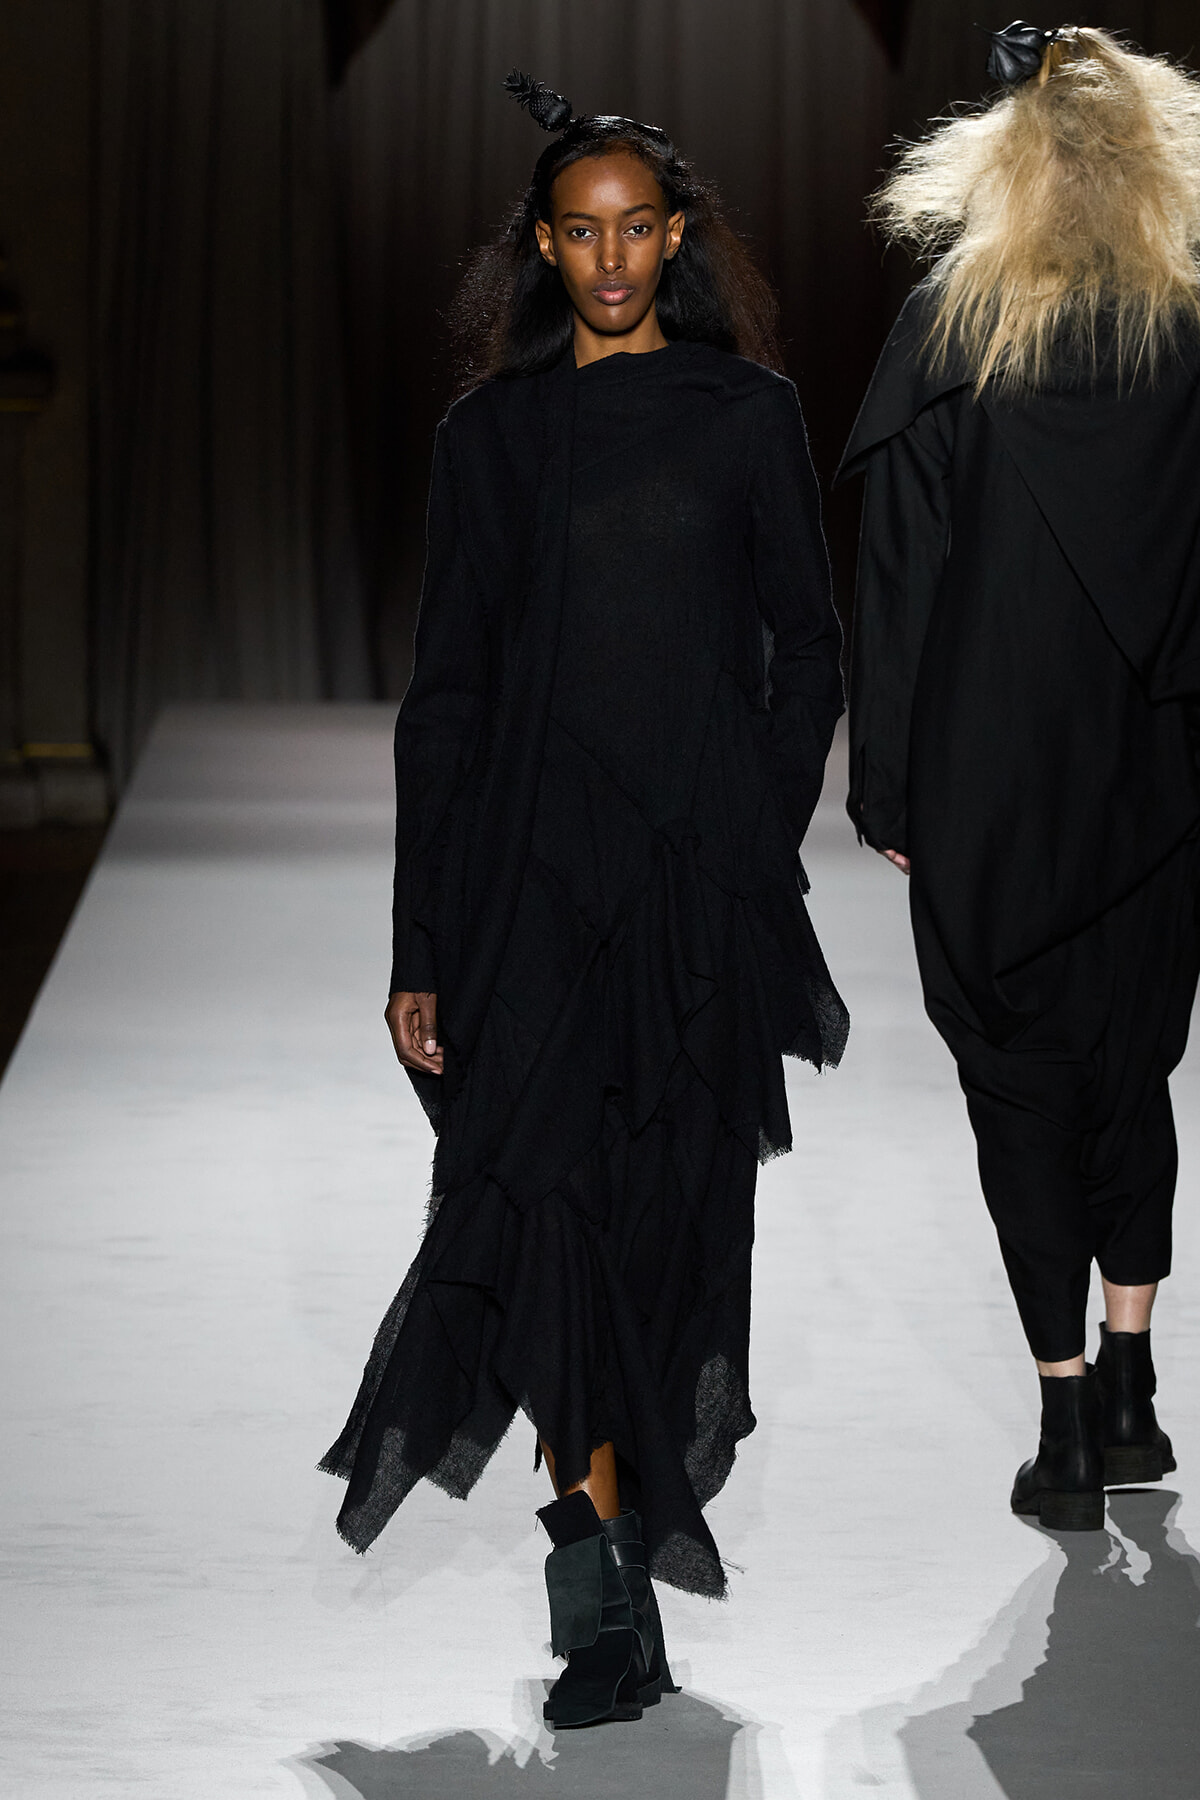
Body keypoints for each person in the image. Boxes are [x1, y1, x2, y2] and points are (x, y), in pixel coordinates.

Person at [321, 72, 847, 1726]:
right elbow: (447, 701)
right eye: (580, 233)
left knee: (663, 1236)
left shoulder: (747, 417)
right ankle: (596, 1592)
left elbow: (810, 652)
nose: (611, 260)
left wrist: (753, 838)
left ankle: (618, 1561)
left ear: (676, 238)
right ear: (540, 248)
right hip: (524, 903)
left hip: (691, 902)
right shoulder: (490, 439)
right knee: (541, 1222)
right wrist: (421, 943)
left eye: (638, 231)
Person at [842, 23, 1200, 1531]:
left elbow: (901, 570)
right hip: (1160, 775)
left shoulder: (953, 327)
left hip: (990, 778)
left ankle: (1062, 1416)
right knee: (1131, 1073)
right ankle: (1132, 1381)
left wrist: (895, 790)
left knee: (1018, 1088)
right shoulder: (1190, 335)